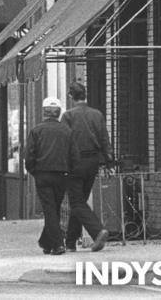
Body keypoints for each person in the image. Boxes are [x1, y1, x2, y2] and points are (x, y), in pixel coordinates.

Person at [24, 97, 78, 255]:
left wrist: (34, 171)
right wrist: (69, 171)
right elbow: (74, 156)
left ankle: (57, 244)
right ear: (59, 112)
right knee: (54, 208)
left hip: (42, 174)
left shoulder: (37, 131)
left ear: (44, 112)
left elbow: (29, 156)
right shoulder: (67, 131)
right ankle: (46, 242)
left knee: (49, 210)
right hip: (61, 174)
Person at [62, 82, 111, 252]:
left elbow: (65, 142)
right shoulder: (97, 114)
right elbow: (104, 139)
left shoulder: (68, 116)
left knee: (76, 202)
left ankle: (97, 231)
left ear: (71, 96)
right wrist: (109, 162)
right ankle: (70, 242)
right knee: (80, 202)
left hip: (75, 162)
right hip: (93, 162)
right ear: (85, 95)